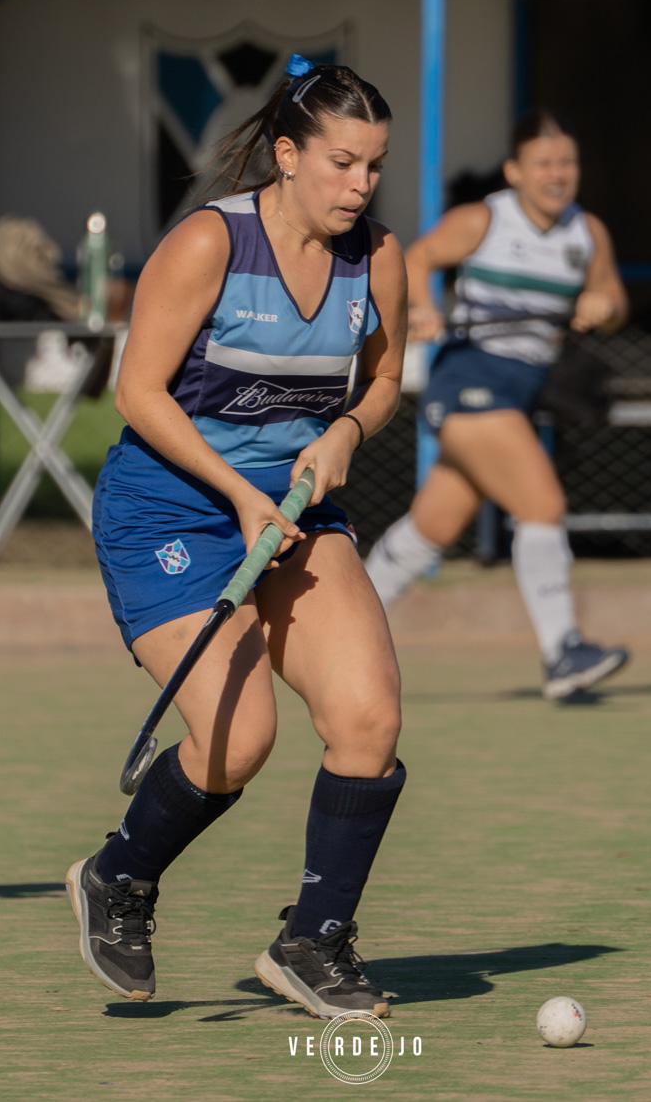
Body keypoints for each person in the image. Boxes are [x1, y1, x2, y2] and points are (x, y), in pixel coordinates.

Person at [68, 56, 408, 1019]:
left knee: (368, 719)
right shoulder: (209, 244)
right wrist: (236, 493)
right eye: (343, 163)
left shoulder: (378, 256)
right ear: (289, 153)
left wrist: (343, 429)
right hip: (171, 507)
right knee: (236, 738)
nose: (360, 186)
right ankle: (119, 879)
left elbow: (382, 381)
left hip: (296, 506)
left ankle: (316, 938)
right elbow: (136, 392)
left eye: (374, 167)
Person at [362, 109, 630, 700]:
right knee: (541, 502)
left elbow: (613, 295)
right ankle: (563, 652)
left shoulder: (587, 233)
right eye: (544, 164)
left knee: (433, 527)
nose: (557, 175)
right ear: (515, 171)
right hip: (469, 379)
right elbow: (414, 261)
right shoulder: (482, 219)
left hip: (523, 392)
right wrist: (422, 309)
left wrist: (601, 306)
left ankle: (344, 621)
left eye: (567, 163)